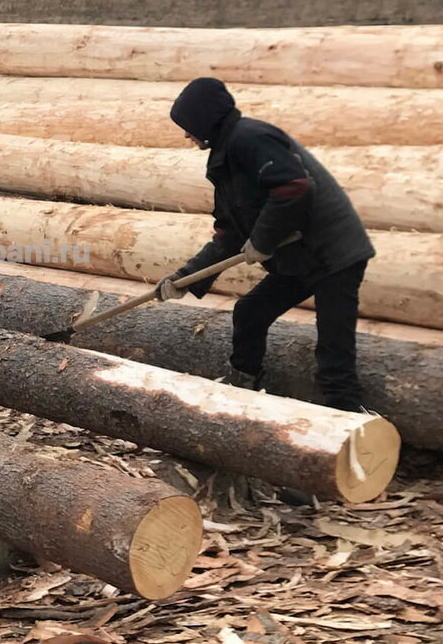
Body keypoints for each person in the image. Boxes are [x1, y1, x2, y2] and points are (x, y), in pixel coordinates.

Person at [155, 77, 374, 413]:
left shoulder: (251, 138)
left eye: (189, 126)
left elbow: (294, 187)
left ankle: (348, 421)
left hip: (333, 253)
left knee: (333, 350)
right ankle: (245, 387)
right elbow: (229, 233)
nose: (187, 134)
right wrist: (184, 278)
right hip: (299, 257)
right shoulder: (225, 157)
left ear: (206, 120)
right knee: (250, 312)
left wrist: (262, 240)